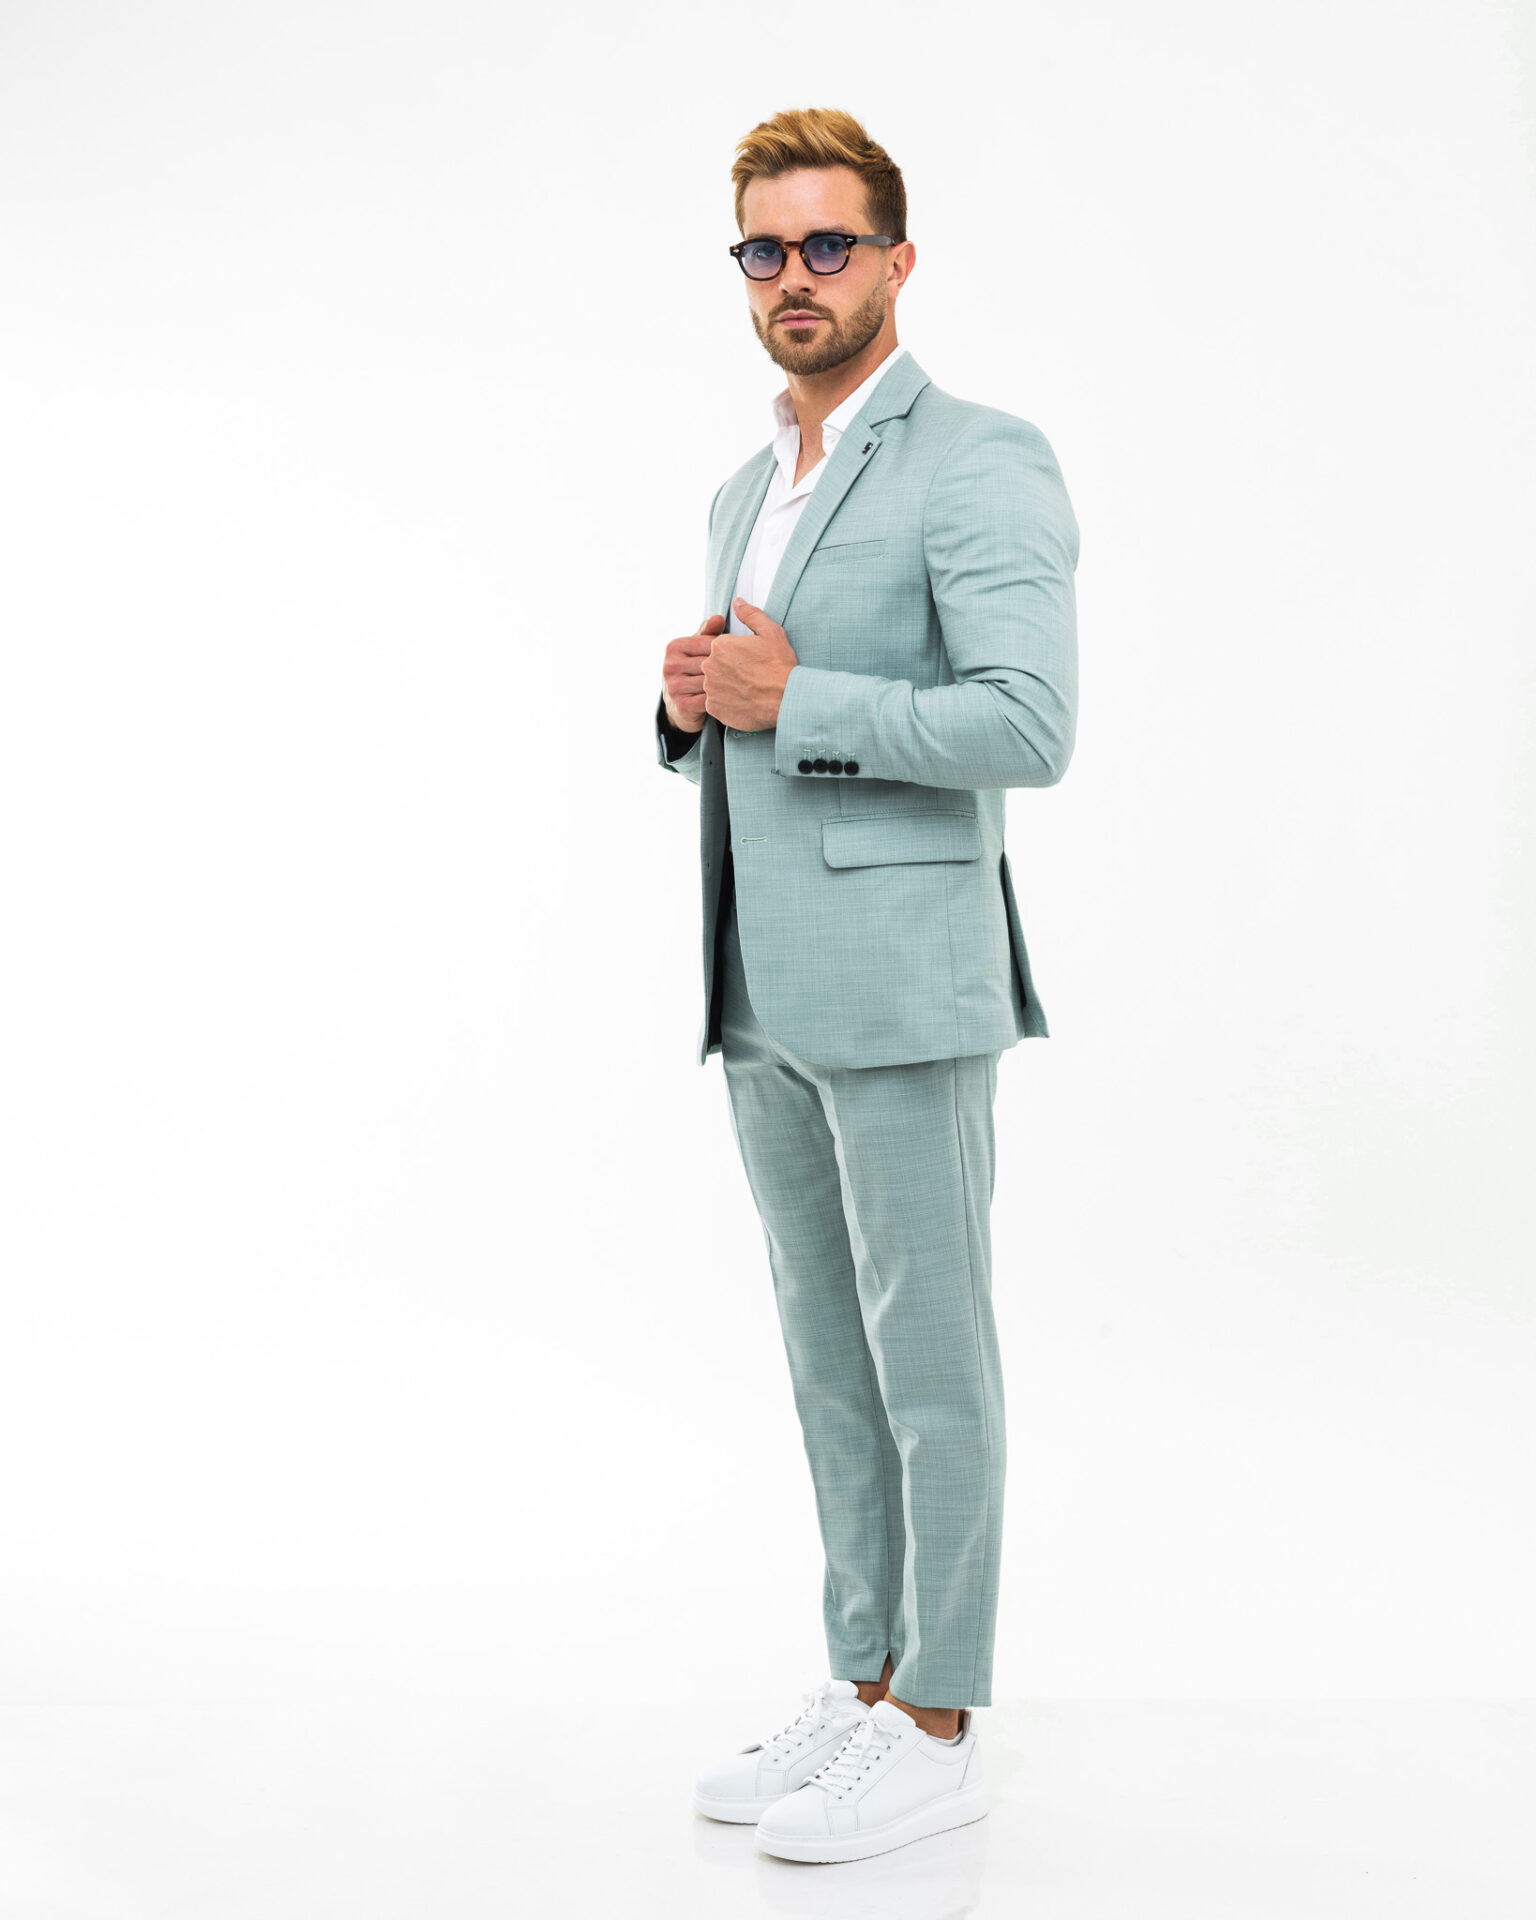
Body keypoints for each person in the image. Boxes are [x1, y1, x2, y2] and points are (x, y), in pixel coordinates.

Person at [654, 105, 1079, 1866]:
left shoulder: (979, 459)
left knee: (931, 1358)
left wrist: (794, 703)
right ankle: (864, 1675)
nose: (796, 278)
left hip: (906, 982)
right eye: (766, 250)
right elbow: (749, 712)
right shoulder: (747, 488)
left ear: (897, 260)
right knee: (830, 1357)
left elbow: (1027, 724)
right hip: (761, 982)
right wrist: (689, 708)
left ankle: (944, 1718)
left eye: (829, 245)